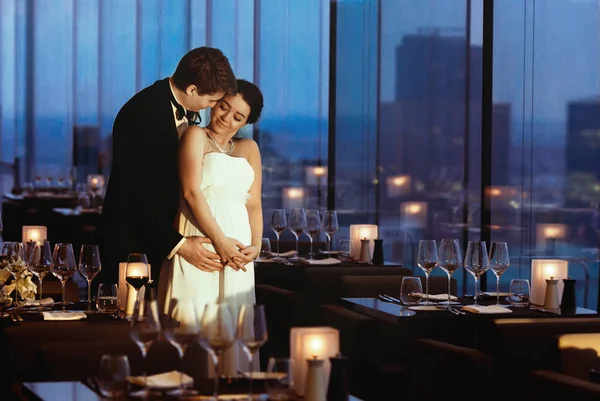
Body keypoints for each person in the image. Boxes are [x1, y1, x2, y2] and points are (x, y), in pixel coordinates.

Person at [98, 47, 237, 286]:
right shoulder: (141, 113)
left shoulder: (185, 109)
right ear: (192, 89)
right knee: (135, 321)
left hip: (165, 240)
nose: (212, 107)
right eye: (212, 100)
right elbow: (134, 193)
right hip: (135, 243)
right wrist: (178, 244)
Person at [159, 79, 264, 376]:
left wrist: (255, 247)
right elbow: (191, 193)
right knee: (192, 323)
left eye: (237, 116)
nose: (226, 117)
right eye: (223, 107)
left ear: (246, 122)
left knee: (235, 329)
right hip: (202, 243)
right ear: (215, 102)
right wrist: (219, 241)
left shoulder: (249, 149)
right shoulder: (195, 135)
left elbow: (254, 204)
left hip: (238, 254)